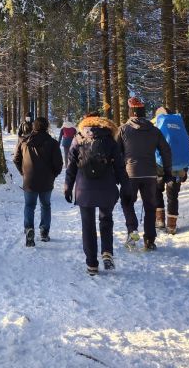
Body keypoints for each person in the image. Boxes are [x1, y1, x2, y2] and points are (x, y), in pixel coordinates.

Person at [64, 112, 128, 275]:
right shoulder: (110, 139)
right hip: (107, 187)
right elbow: (120, 166)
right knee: (106, 219)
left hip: (84, 189)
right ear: (102, 123)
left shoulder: (78, 139)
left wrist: (68, 187)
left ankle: (92, 264)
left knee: (88, 225)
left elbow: (71, 166)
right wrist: (126, 185)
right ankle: (107, 252)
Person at [118, 97, 172, 250]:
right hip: (150, 175)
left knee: (127, 202)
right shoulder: (154, 130)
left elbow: (116, 152)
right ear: (143, 113)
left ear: (131, 113)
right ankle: (150, 240)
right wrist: (167, 171)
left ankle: (132, 229)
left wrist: (118, 171)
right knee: (150, 207)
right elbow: (166, 150)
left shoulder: (123, 129)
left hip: (130, 175)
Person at [13, 116, 63, 247]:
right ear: (46, 127)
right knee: (45, 205)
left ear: (33, 126)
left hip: (29, 179)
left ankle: (29, 228)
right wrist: (53, 175)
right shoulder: (52, 143)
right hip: (46, 180)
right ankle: (44, 231)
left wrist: (23, 172)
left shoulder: (23, 141)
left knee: (29, 205)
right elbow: (59, 163)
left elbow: (16, 159)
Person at [154, 106, 189, 234]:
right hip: (178, 166)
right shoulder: (179, 126)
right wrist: (185, 169)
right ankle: (171, 226)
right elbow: (186, 146)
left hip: (160, 165)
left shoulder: (159, 125)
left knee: (157, 190)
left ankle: (159, 221)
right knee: (173, 196)